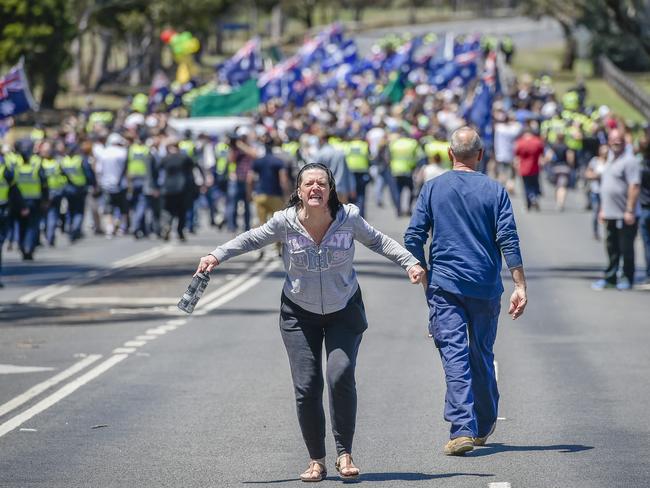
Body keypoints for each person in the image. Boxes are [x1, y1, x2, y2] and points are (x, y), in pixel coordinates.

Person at [194, 163, 425, 481]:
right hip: (298, 313)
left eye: (321, 183)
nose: (315, 188)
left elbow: (380, 242)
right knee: (307, 386)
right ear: (299, 191)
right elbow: (251, 239)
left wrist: (410, 263)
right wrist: (215, 255)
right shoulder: (284, 222)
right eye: (309, 184)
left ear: (331, 189)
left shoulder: (348, 219)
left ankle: (345, 453)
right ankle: (317, 459)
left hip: (344, 309)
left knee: (340, 374)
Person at [404, 127, 527, 456]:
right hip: (486, 285)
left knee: (455, 356)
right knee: (481, 354)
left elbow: (414, 235)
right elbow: (508, 238)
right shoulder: (495, 190)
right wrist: (519, 284)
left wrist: (421, 270)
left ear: (449, 154)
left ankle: (462, 428)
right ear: (481, 155)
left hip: (445, 286)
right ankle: (482, 422)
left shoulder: (432, 188)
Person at [592, 129, 641, 290]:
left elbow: (634, 186)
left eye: (619, 139)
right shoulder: (610, 159)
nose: (616, 142)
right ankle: (611, 278)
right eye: (613, 139)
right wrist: (602, 210)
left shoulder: (630, 161)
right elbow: (606, 186)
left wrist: (629, 210)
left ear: (624, 141)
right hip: (610, 213)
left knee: (626, 247)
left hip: (625, 214)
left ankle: (627, 277)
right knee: (611, 247)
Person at [513, 126, 544, 211]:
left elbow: (516, 156)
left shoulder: (520, 142)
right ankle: (534, 196)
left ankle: (528, 203)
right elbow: (542, 154)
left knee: (526, 186)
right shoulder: (538, 141)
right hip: (535, 167)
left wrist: (516, 166)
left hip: (523, 168)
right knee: (535, 184)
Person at [584, 144, 609, 240]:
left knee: (607, 214)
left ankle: (608, 232)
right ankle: (595, 232)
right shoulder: (595, 161)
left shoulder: (611, 162)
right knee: (596, 212)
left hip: (607, 193)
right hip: (596, 191)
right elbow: (587, 173)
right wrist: (596, 175)